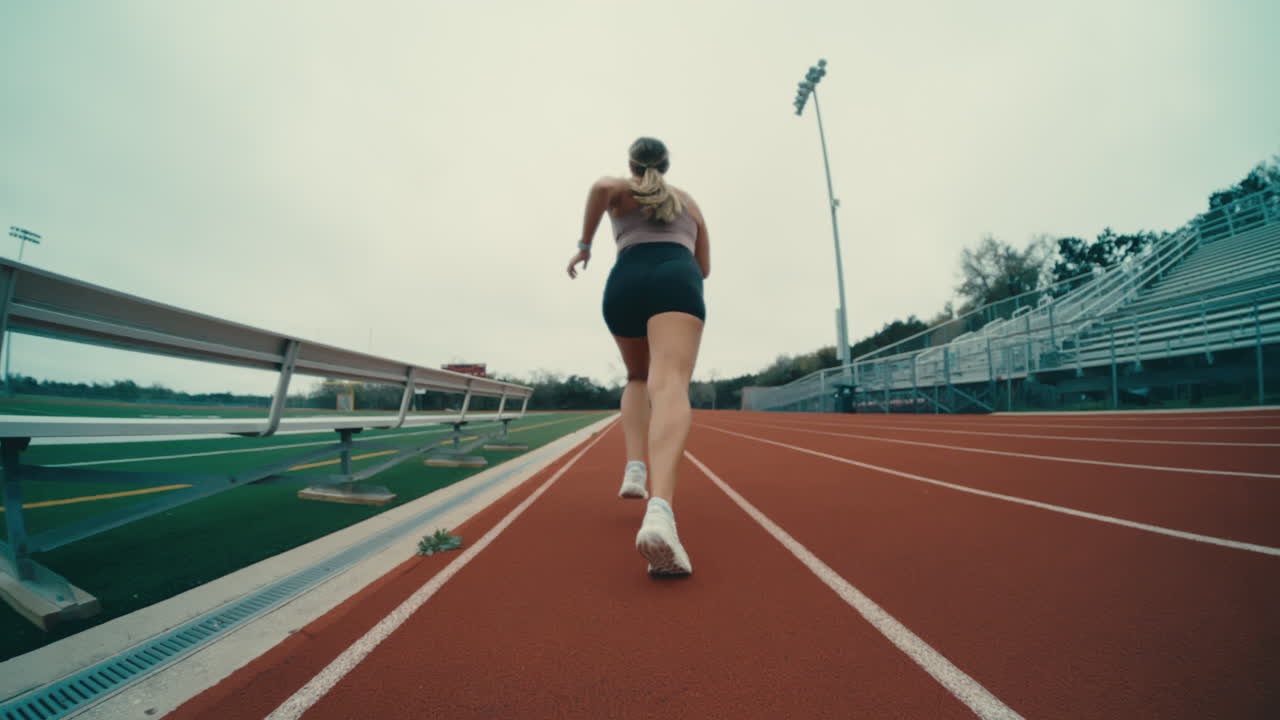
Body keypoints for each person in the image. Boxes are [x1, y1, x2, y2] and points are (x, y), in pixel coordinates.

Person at [566, 137, 710, 576]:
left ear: (632, 164)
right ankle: (660, 512)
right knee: (669, 385)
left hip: (626, 279)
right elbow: (704, 267)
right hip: (676, 276)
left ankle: (634, 469)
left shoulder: (620, 191)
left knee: (636, 378)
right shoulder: (689, 203)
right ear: (666, 166)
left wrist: (586, 244)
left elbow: (598, 189)